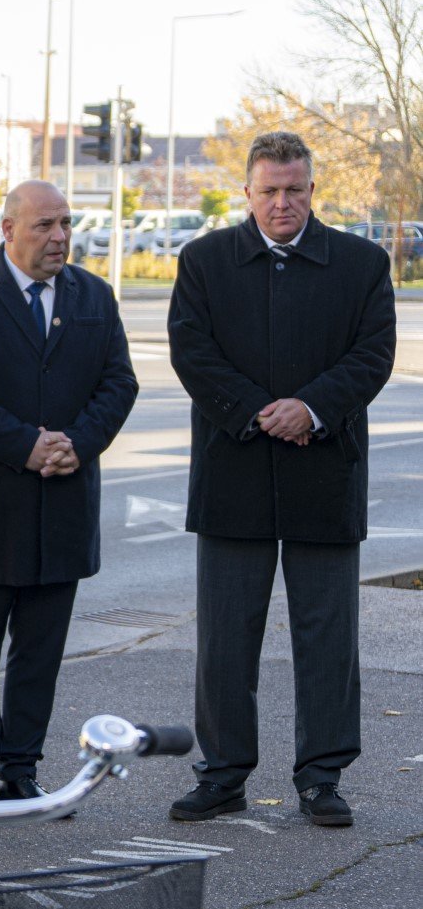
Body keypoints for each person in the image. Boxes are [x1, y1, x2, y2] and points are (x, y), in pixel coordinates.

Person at [167, 132, 394, 829]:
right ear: (247, 192)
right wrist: (258, 413)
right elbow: (191, 351)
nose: (281, 202)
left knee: (327, 638)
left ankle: (321, 778)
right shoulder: (204, 261)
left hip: (324, 472)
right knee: (225, 637)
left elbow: (373, 353)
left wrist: (312, 408)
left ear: (312, 190)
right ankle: (222, 774)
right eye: (268, 190)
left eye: (294, 189)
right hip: (232, 471)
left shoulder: (361, 263)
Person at [0, 181, 138, 804]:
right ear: (8, 230)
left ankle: (20, 769)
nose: (60, 237)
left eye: (66, 223)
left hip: (63, 504)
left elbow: (119, 382)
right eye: (45, 225)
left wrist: (80, 442)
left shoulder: (93, 296)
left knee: (40, 652)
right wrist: (24, 444)